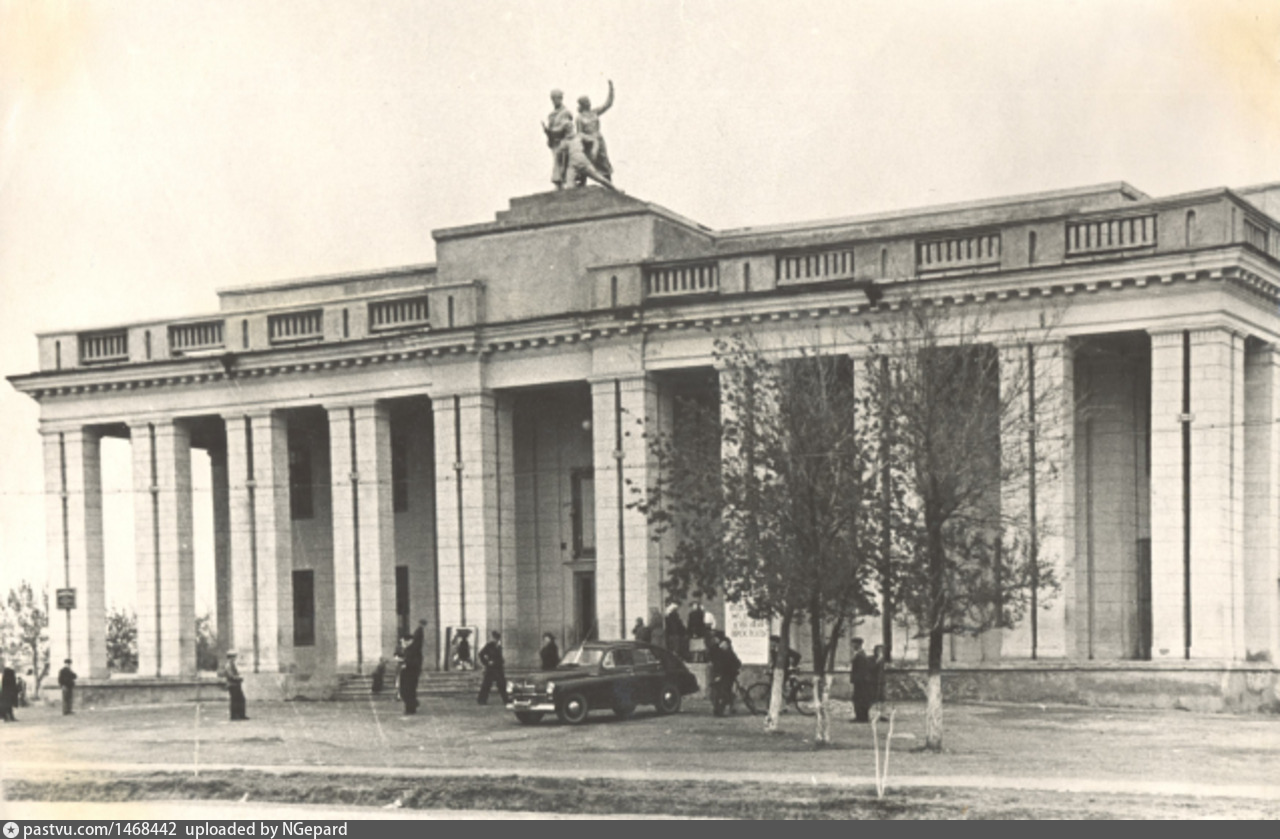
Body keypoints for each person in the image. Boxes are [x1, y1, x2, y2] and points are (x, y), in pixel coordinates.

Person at [575, 80, 614, 182]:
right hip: (589, 142)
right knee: (587, 161)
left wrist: (611, 88)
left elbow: (608, 104)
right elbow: (579, 132)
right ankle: (581, 183)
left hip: (599, 140)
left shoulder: (594, 112)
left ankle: (609, 184)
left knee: (603, 162)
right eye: (586, 102)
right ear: (582, 104)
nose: (589, 103)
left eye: (589, 101)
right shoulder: (579, 118)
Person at [542, 89, 575, 190]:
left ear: (560, 98)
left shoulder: (566, 112)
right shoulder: (551, 115)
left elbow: (564, 127)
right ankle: (559, 183)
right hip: (554, 142)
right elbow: (550, 127)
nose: (554, 101)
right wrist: (547, 132)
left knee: (565, 161)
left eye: (556, 98)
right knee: (557, 162)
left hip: (564, 140)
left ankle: (565, 182)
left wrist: (552, 131)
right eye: (552, 99)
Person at [708, 636, 741, 717]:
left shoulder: (729, 653)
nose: (723, 645)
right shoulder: (719, 652)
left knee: (723, 694)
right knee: (718, 694)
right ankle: (720, 709)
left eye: (724, 644)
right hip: (720, 676)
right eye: (722, 643)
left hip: (727, 676)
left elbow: (737, 663)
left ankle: (720, 710)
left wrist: (732, 670)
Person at [477, 631, 509, 706]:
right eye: (495, 638)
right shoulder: (489, 646)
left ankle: (506, 700)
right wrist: (486, 662)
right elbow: (481, 654)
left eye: (497, 638)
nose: (496, 640)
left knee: (502, 684)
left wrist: (501, 661)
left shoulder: (499, 646)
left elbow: (499, 657)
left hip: (498, 668)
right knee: (486, 685)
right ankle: (481, 700)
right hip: (491, 669)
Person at [401, 619, 426, 715]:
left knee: (408, 691)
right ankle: (412, 705)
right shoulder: (409, 649)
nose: (402, 643)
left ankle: (411, 707)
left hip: (410, 673)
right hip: (408, 672)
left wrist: (405, 663)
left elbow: (415, 662)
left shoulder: (413, 649)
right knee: (406, 691)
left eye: (403, 641)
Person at [850, 637, 874, 723]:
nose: (852, 645)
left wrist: (857, 680)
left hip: (861, 682)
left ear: (858, 644)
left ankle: (861, 717)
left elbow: (861, 670)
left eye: (854, 644)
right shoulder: (860, 654)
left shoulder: (860, 655)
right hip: (860, 681)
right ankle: (861, 716)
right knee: (859, 699)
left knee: (860, 699)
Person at [222, 652, 247, 721]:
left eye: (234, 657)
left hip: (236, 684)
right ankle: (234, 715)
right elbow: (231, 676)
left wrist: (238, 676)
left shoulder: (232, 665)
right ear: (230, 657)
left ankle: (241, 715)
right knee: (235, 700)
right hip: (232, 684)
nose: (234, 659)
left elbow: (236, 673)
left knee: (241, 699)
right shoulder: (228, 665)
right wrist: (239, 678)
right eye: (233, 657)